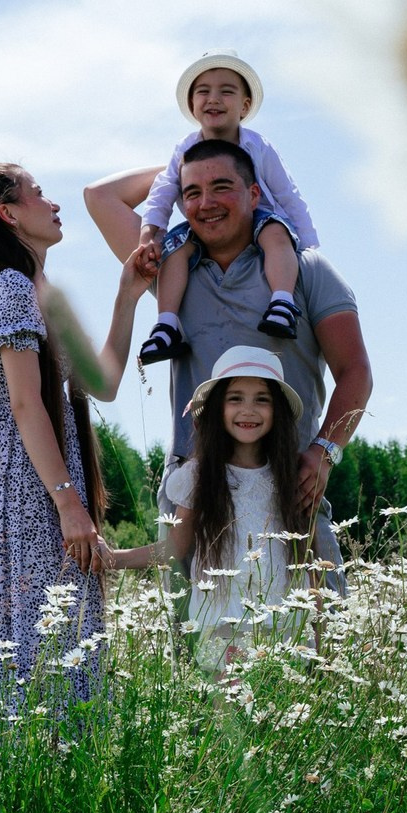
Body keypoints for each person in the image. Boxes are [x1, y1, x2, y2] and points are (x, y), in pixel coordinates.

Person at [84, 139, 372, 585]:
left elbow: (355, 372)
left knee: (316, 640)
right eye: (192, 192)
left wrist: (324, 452)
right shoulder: (169, 270)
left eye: (223, 186)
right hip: (193, 491)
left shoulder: (304, 268)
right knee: (199, 645)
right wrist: (187, 160)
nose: (206, 203)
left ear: (255, 194)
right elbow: (99, 197)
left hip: (287, 484)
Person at [0, 162, 144, 721]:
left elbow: (102, 383)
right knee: (41, 647)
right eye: (37, 194)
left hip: (49, 486)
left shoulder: (41, 294)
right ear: (8, 214)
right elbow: (25, 403)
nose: (52, 202)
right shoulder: (11, 289)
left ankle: (60, 787)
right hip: (32, 490)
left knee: (67, 638)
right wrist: (67, 503)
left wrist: (128, 294)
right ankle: (30, 785)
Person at [99, 345, 313, 673]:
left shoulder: (289, 477)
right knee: (230, 713)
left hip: (281, 618)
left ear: (278, 411)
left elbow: (304, 555)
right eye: (235, 398)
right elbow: (176, 546)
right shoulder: (200, 477)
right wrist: (113, 559)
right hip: (223, 617)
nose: (249, 410)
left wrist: (318, 616)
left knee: (277, 715)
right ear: (216, 408)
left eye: (262, 399)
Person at [131, 52, 319, 366]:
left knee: (275, 232)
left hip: (258, 219)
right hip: (204, 224)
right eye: (203, 91)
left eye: (226, 91)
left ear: (244, 106)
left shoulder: (258, 146)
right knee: (175, 249)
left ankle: (283, 302)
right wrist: (150, 232)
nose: (213, 99)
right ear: (192, 105)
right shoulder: (185, 149)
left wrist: (310, 248)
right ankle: (166, 324)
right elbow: (163, 189)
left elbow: (289, 196)